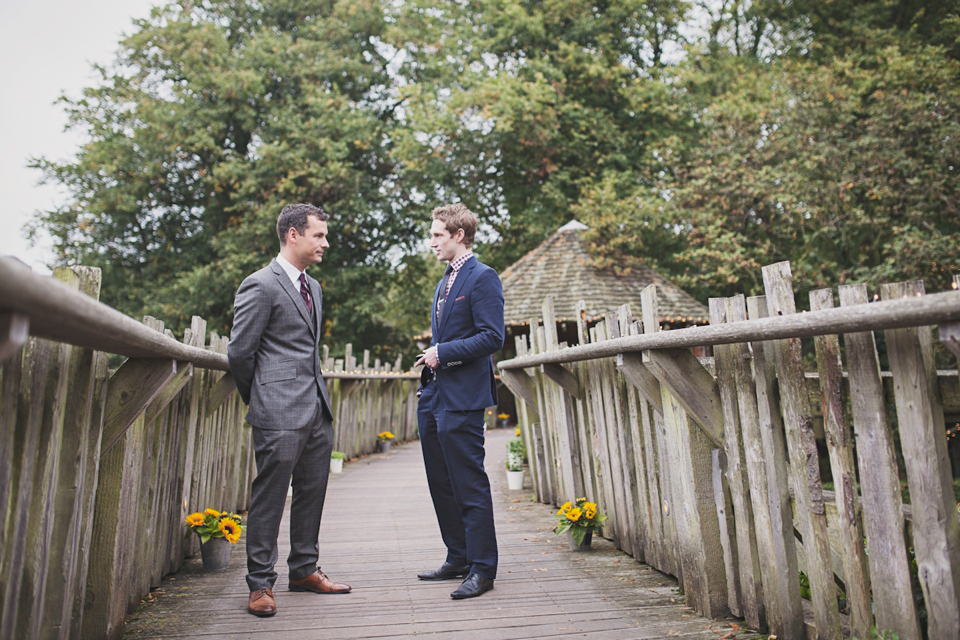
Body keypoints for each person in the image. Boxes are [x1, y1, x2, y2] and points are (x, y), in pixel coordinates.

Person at [228, 202, 351, 618]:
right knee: (269, 498)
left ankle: (303, 569)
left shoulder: (312, 287)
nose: (326, 243)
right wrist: (263, 399)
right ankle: (260, 584)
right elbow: (240, 354)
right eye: (319, 235)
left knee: (312, 494)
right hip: (276, 412)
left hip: (317, 409)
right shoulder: (259, 285)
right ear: (293, 235)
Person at [414, 203, 505, 599]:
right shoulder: (443, 282)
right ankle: (459, 556)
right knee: (440, 480)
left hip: (464, 398)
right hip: (434, 394)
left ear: (459, 236)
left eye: (437, 235)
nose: (431, 242)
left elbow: (492, 336)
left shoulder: (483, 277)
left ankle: (483, 569)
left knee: (468, 482)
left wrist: (442, 351)